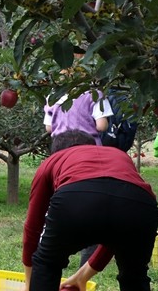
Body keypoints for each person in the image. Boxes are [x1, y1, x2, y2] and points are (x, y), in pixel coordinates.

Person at [17, 130, 158, 291]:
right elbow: (114, 234)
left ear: (56, 151)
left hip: (76, 198)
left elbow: (33, 226)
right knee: (134, 280)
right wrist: (83, 275)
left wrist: (30, 280)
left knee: (48, 262)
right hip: (140, 205)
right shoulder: (117, 155)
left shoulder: (53, 161)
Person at [43, 89, 113, 265]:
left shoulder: (53, 95)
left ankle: (53, 255)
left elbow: (49, 127)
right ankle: (87, 260)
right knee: (91, 205)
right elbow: (101, 125)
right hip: (89, 154)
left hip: (60, 153)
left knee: (60, 202)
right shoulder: (94, 94)